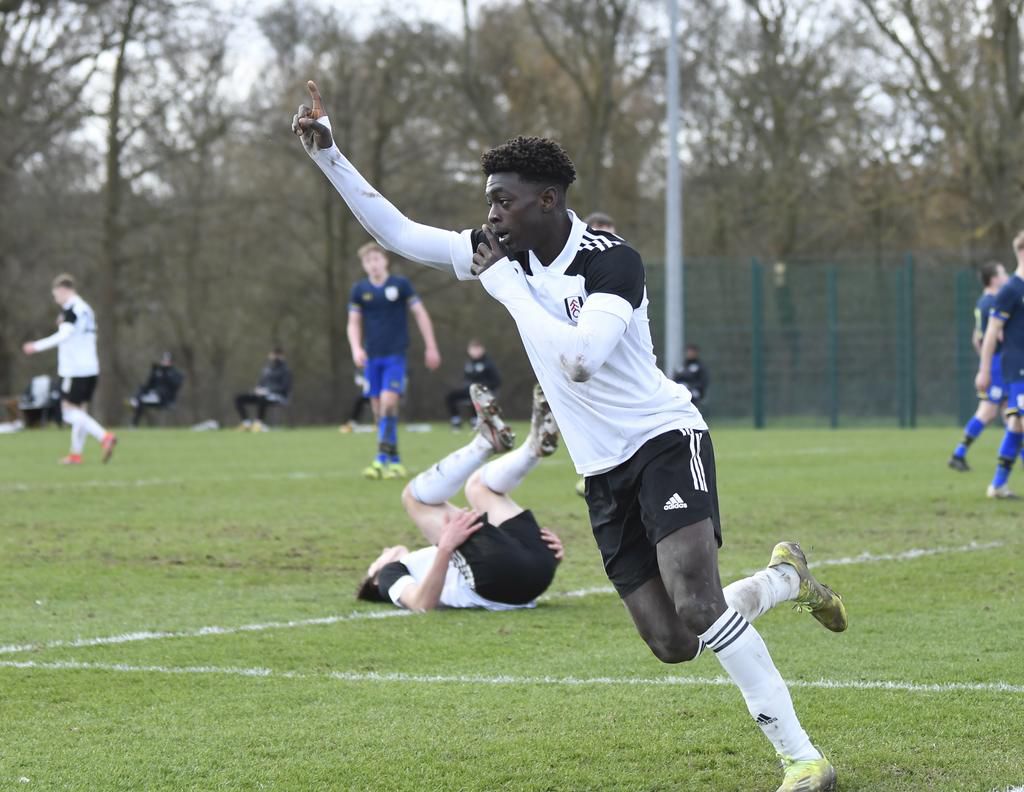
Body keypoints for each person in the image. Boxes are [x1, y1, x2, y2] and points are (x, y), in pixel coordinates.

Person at [295, 82, 845, 791]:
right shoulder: (500, 251)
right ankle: (782, 579)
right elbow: (400, 233)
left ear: (547, 202)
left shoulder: (611, 260)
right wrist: (329, 154)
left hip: (664, 440)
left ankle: (802, 759)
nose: (491, 214)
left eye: (504, 200)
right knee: (675, 640)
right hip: (602, 470)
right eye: (490, 199)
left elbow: (580, 361)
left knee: (699, 601)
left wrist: (507, 289)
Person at [357, 383, 562, 610]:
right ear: (374, 579)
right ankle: (485, 444)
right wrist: (445, 548)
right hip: (498, 576)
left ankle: (532, 450)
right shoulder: (389, 575)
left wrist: (546, 552)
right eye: (378, 559)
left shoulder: (420, 562)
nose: (385, 551)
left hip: (536, 569)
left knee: (479, 486)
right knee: (412, 498)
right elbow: (421, 604)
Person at [347, 241, 441, 479]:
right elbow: (353, 323)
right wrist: (356, 348)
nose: (373, 265)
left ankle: (380, 460)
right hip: (372, 358)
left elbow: (420, 313)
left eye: (376, 259)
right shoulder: (359, 290)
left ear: (385, 260)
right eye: (368, 261)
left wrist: (431, 346)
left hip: (395, 356)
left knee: (389, 403)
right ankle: (394, 460)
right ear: (364, 265)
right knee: (379, 412)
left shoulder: (401, 286)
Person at [21, 274, 117, 464]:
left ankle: (104, 437)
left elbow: (64, 336)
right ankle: (76, 454)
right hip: (90, 367)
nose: (55, 299)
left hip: (74, 369)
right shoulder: (86, 309)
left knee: (67, 412)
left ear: (64, 291)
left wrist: (36, 346)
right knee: (79, 411)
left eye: (56, 294)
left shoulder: (71, 309)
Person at [975, 231, 1024, 499]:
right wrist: (984, 370)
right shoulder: (1011, 290)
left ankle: (998, 485)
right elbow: (992, 332)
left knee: (1016, 426)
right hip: (1018, 369)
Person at [949, 261, 1010, 471]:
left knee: (1010, 412)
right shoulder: (994, 302)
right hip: (999, 363)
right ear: (993, 279)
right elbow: (999, 334)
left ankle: (960, 454)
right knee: (988, 411)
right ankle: (958, 454)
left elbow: (976, 339)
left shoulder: (982, 302)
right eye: (1003, 273)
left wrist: (984, 360)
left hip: (996, 362)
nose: (1007, 276)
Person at [445, 339, 502, 429]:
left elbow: (497, 381)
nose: (475, 352)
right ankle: (456, 420)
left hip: (484, 391)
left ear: (482, 349)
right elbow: (466, 379)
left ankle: (475, 420)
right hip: (469, 390)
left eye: (477, 349)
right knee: (451, 396)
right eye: (473, 349)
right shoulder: (469, 363)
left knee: (475, 396)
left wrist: (482, 386)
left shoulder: (488, 363)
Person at [235, 347, 292, 431]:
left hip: (278, 396)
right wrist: (257, 390)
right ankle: (246, 423)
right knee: (238, 398)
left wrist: (268, 391)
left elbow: (284, 387)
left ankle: (259, 423)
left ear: (282, 356)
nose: (274, 357)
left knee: (263, 398)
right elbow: (261, 383)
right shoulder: (267, 369)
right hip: (262, 394)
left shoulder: (285, 370)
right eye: (273, 355)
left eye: (277, 355)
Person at [129, 351, 185, 426]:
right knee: (141, 392)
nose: (165, 362)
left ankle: (140, 400)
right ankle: (135, 400)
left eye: (167, 361)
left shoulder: (175, 373)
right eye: (164, 360)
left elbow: (175, 385)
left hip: (165, 399)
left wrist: (166, 374)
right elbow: (148, 385)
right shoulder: (158, 372)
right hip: (153, 395)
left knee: (159, 391)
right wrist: (153, 373)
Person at [673, 344, 709, 409]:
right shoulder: (681, 366)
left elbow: (703, 382)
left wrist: (690, 386)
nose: (690, 353)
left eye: (692, 352)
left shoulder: (700, 367)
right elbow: (675, 379)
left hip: (694, 392)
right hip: (680, 391)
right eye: (688, 351)